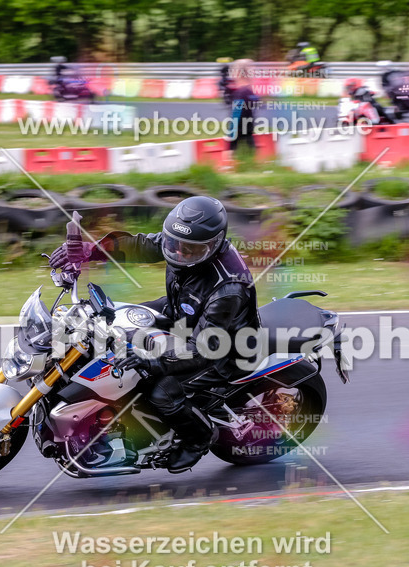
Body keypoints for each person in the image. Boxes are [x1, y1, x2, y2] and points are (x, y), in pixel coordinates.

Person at [47, 196, 259, 474]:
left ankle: (198, 439)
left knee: (161, 391)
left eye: (191, 250)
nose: (180, 254)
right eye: (175, 245)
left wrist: (151, 361)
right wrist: (91, 250)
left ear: (214, 244)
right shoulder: (182, 242)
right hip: (181, 314)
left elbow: (202, 350)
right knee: (113, 322)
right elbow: (141, 245)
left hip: (224, 351)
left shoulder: (227, 288)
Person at [227, 58, 258, 154]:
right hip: (249, 129)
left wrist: (231, 133)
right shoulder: (250, 91)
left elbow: (236, 114)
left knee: (230, 153)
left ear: (238, 73)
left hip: (238, 130)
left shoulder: (240, 93)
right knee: (250, 151)